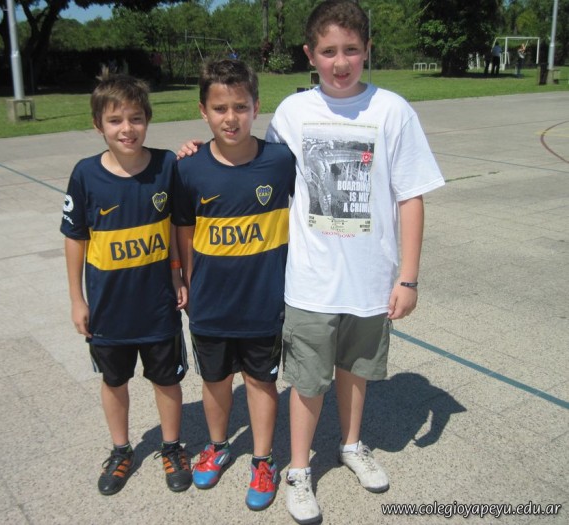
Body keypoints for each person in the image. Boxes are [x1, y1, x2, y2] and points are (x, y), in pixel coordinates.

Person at [265, 2, 445, 523]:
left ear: (367, 50)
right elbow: (258, 168)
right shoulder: (293, 113)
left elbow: (411, 196)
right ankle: (299, 469)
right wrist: (199, 152)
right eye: (328, 51)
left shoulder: (392, 110)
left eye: (350, 49)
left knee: (356, 370)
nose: (340, 62)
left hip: (369, 279)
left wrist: (408, 278)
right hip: (311, 280)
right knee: (307, 379)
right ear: (310, 54)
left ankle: (350, 444)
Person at [60, 73, 192, 497]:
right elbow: (75, 238)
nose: (127, 128)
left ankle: (171, 446)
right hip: (108, 307)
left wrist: (178, 274)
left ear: (148, 120)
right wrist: (77, 298)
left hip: (158, 303)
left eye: (136, 118)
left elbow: (177, 227)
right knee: (114, 381)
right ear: (98, 124)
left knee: (166, 380)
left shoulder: (167, 165)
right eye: (115, 120)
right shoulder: (85, 174)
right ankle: (121, 450)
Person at [172, 58, 296, 511]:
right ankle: (218, 445)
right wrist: (185, 280)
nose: (231, 118)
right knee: (215, 380)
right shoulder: (188, 168)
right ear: (203, 111)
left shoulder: (280, 161)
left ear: (256, 107)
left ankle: (263, 460)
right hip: (210, 303)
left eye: (241, 107)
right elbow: (184, 230)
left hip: (263, 302)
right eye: (220, 108)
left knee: (261, 381)